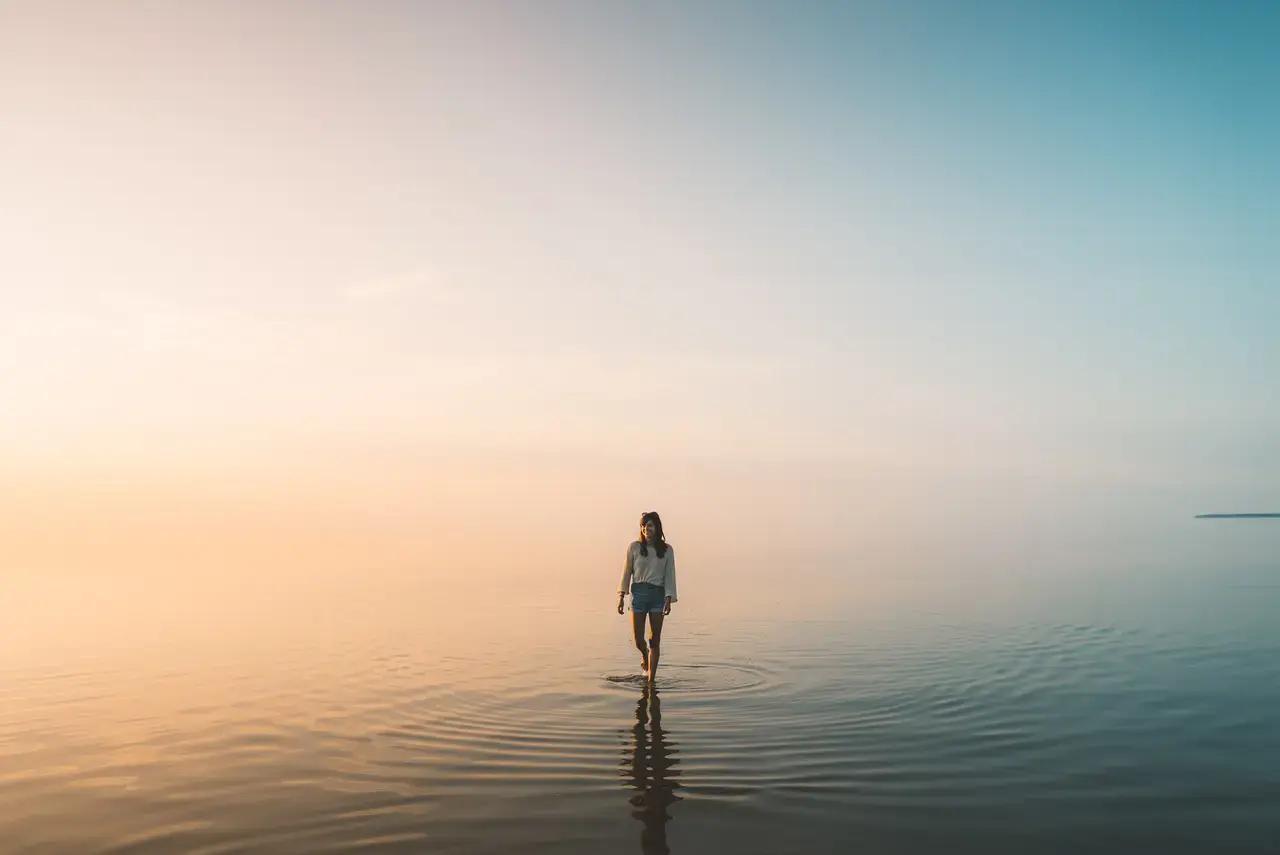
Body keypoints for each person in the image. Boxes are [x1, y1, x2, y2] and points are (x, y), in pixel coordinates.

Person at [617, 511, 677, 683]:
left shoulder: (667, 550)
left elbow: (670, 575)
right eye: (643, 526)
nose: (646, 529)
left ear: (657, 527)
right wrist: (621, 596)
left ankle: (651, 681)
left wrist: (669, 598)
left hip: (658, 596)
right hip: (638, 595)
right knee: (638, 640)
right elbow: (626, 571)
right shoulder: (634, 547)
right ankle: (644, 655)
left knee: (654, 640)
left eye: (649, 525)